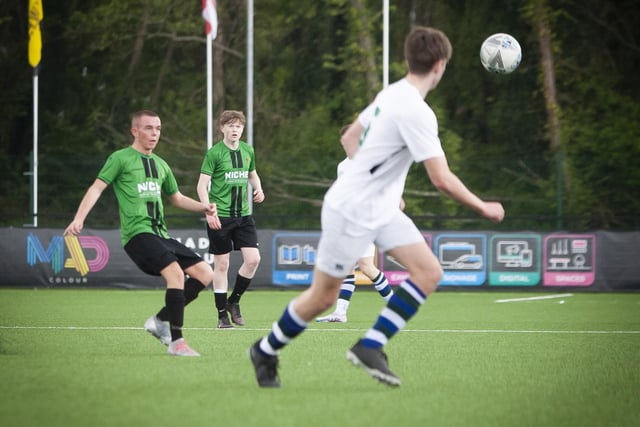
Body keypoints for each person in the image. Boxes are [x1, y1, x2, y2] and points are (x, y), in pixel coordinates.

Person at [248, 26, 504, 388]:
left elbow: (349, 137)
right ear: (440, 66)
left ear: (409, 60)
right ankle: (265, 349)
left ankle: (371, 345)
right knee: (323, 298)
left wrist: (378, 182)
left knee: (428, 272)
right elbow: (441, 179)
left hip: (380, 208)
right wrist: (483, 207)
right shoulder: (418, 111)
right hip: (350, 209)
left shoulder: (392, 92)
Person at [64, 110, 218, 357]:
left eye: (158, 128)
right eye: (148, 128)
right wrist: (79, 218)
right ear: (135, 131)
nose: (154, 133)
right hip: (138, 235)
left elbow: (176, 198)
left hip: (161, 235)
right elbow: (96, 188)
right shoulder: (120, 158)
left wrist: (204, 207)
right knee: (176, 274)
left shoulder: (161, 164)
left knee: (205, 273)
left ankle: (160, 321)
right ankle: (177, 342)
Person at [316, 125, 393, 323]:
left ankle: (395, 306)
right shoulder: (342, 166)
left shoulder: (369, 161)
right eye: (343, 140)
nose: (346, 143)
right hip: (347, 222)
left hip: (365, 221)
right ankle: (340, 313)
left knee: (366, 267)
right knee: (348, 267)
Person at [197, 110, 265, 329]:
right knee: (222, 264)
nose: (235, 130)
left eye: (238, 126)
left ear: (242, 129)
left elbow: (251, 173)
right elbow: (201, 186)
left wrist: (259, 188)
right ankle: (221, 315)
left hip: (243, 216)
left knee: (253, 259)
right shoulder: (214, 153)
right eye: (231, 126)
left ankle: (233, 301)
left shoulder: (247, 150)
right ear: (222, 128)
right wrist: (209, 212)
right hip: (221, 217)